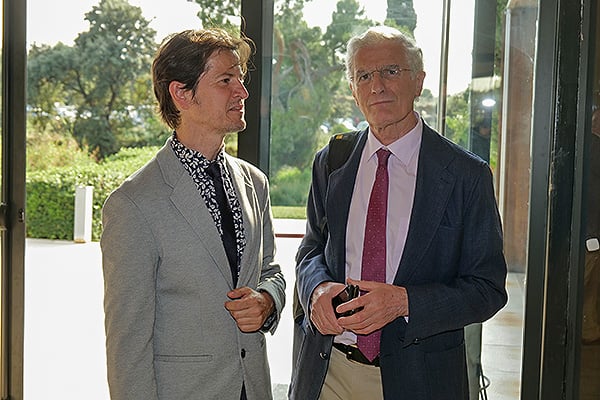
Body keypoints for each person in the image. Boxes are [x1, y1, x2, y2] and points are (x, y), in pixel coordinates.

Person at [289, 26, 508, 400]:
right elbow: (312, 250)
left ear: (418, 81)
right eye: (364, 75)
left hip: (419, 379)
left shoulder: (465, 175)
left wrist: (404, 302)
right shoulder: (332, 162)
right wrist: (317, 289)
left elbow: (487, 289)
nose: (377, 86)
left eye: (390, 71)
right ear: (354, 90)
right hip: (328, 371)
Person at [101, 28, 285, 400]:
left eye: (240, 79)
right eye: (225, 80)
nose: (242, 92)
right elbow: (127, 346)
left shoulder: (255, 183)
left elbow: (271, 272)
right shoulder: (133, 204)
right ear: (181, 94)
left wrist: (267, 301)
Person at [582, 108, 600, 344]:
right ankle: (587, 329)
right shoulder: (593, 148)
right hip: (591, 232)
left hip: (589, 231)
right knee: (587, 286)